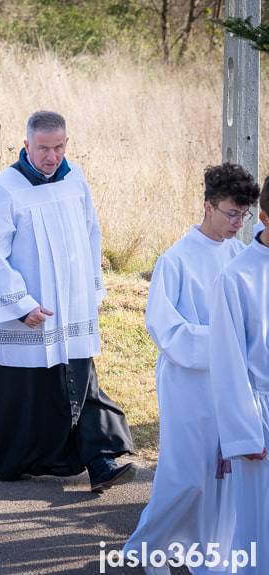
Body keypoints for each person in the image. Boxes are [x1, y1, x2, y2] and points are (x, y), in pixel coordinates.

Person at [0, 110, 134, 493]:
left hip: (72, 306)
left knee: (82, 381)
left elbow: (91, 234)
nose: (52, 157)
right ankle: (19, 459)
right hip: (32, 312)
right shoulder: (5, 189)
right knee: (29, 391)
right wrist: (21, 305)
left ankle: (101, 461)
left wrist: (92, 290)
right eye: (44, 148)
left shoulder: (75, 179)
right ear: (26, 144)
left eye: (59, 147)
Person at [124, 163, 258, 574]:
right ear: (208, 205)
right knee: (186, 474)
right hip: (188, 381)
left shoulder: (240, 255)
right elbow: (167, 329)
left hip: (231, 382)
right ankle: (146, 546)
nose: (238, 223)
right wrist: (224, 342)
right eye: (231, 213)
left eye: (244, 215)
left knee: (225, 474)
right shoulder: (176, 260)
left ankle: (209, 549)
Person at [209, 181, 269, 575]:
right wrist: (245, 434)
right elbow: (228, 362)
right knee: (258, 526)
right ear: (264, 218)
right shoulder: (236, 277)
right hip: (260, 416)